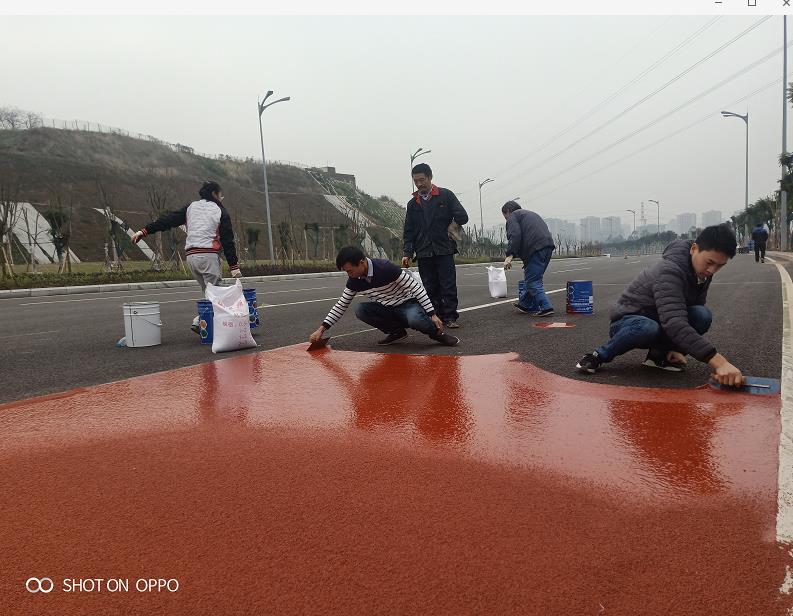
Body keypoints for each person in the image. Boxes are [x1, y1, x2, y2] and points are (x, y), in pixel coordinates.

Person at [576, 224, 744, 386]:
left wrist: (678, 348)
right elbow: (674, 323)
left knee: (701, 315)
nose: (712, 270)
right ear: (694, 249)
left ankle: (658, 356)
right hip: (630, 321)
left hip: (661, 320)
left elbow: (693, 308)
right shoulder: (669, 270)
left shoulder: (702, 272)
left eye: (720, 266)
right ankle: (598, 356)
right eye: (709, 262)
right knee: (647, 327)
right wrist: (720, 363)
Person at [132, 180, 241, 332]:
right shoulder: (220, 211)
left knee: (209, 292)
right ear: (214, 194)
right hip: (208, 255)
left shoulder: (191, 207)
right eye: (220, 195)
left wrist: (144, 231)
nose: (221, 198)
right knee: (216, 293)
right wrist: (233, 265)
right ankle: (202, 321)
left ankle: (209, 324)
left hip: (191, 257)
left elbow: (168, 220)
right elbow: (227, 239)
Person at [309, 246, 459, 347]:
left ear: (362, 263)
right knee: (361, 309)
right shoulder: (354, 281)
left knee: (415, 318)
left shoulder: (386, 268)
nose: (349, 274)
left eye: (349, 270)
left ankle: (438, 334)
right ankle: (397, 332)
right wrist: (321, 330)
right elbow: (341, 305)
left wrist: (432, 314)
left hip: (407, 303)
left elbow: (416, 287)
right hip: (387, 307)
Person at [402, 163, 468, 329]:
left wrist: (453, 225)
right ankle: (436, 315)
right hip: (423, 251)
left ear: (430, 177)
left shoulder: (445, 196)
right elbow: (409, 230)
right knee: (429, 286)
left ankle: (450, 317)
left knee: (448, 284)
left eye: (422, 180)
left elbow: (463, 216)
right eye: (415, 181)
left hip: (444, 248)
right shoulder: (413, 204)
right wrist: (407, 252)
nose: (419, 184)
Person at [502, 201, 555, 316]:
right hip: (548, 246)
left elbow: (514, 235)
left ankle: (546, 307)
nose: (506, 220)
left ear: (508, 211)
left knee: (532, 281)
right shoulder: (530, 214)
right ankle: (524, 304)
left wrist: (509, 255)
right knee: (534, 278)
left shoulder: (513, 216)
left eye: (505, 216)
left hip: (535, 248)